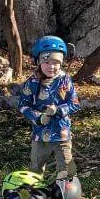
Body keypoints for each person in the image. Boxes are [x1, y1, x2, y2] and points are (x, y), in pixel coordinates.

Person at [17, 35, 80, 179]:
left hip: (62, 134)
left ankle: (66, 192)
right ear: (38, 61)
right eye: (46, 62)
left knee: (67, 167)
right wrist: (38, 117)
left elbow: (75, 104)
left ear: (62, 62)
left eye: (56, 62)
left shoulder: (65, 80)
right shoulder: (32, 82)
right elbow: (23, 105)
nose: (51, 66)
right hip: (40, 135)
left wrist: (58, 110)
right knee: (35, 168)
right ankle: (35, 193)